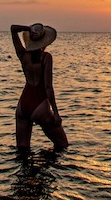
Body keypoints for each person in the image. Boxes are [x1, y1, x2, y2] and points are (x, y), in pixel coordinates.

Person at [11, 22, 69, 155]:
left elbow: (13, 29)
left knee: (23, 151)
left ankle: (23, 175)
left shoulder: (22, 54)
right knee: (62, 145)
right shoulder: (46, 58)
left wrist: (28, 29)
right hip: (39, 104)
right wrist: (56, 112)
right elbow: (48, 87)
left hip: (23, 104)